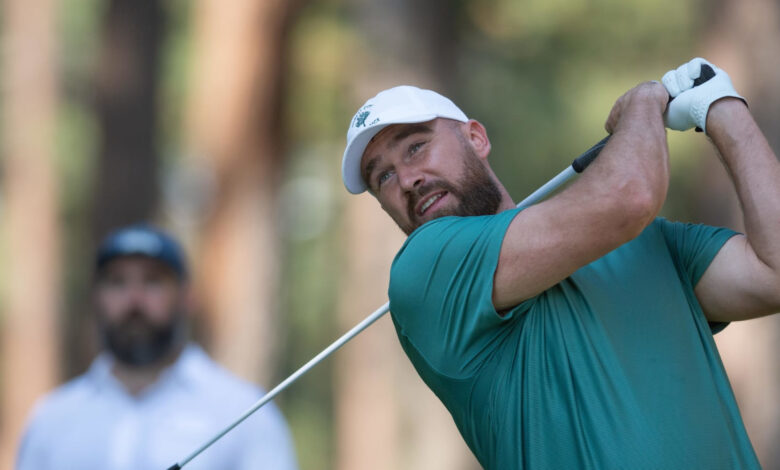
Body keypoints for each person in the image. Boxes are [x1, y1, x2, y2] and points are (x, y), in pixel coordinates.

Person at [340, 58, 779, 469]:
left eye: (416, 147)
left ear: (476, 138)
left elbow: (771, 274)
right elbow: (630, 196)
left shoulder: (649, 241)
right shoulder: (423, 270)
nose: (408, 180)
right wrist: (644, 103)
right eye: (384, 177)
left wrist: (722, 107)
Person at [16, 224, 298, 470]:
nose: (134, 299)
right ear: (96, 298)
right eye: (117, 282)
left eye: (153, 281)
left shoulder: (244, 412)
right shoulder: (52, 421)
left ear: (187, 296)